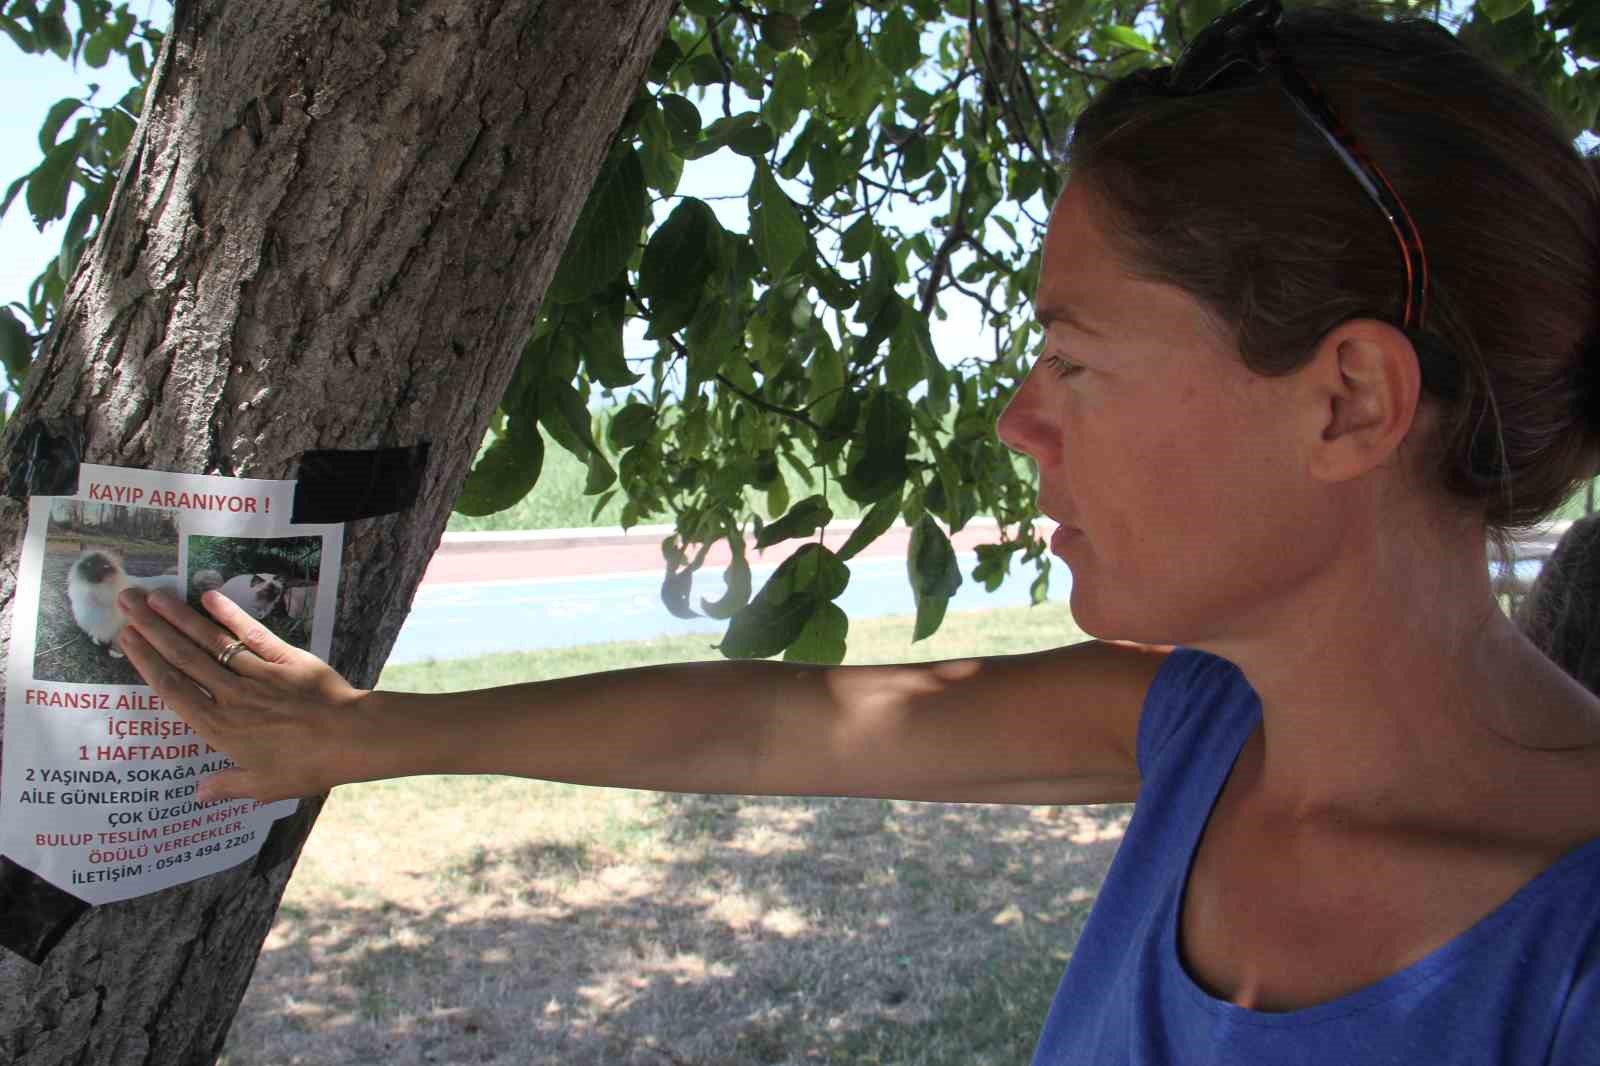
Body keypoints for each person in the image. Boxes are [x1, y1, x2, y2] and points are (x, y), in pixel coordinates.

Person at [117, 0, 1600, 1061]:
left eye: (1074, 358)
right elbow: (772, 730)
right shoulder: (1196, 735)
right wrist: (358, 737)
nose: (1022, 419)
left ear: (1345, 399)